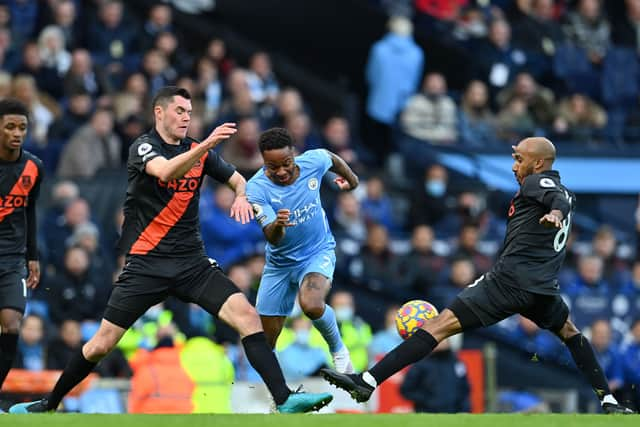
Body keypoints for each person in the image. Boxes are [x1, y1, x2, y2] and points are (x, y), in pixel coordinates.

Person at [10, 86, 332, 414]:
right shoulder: (144, 147)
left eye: (190, 113)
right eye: (179, 111)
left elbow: (239, 179)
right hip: (146, 264)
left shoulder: (199, 151)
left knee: (248, 317)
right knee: (101, 343)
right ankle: (49, 404)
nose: (186, 118)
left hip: (192, 263)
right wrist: (206, 145)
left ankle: (284, 399)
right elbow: (165, 171)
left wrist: (238, 193)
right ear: (159, 112)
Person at [320, 137, 635, 415]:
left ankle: (367, 380)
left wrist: (555, 211)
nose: (514, 166)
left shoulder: (537, 183)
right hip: (542, 290)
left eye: (519, 159)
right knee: (572, 335)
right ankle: (607, 399)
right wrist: (556, 210)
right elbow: (562, 198)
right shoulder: (563, 192)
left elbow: (557, 200)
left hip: (507, 282)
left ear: (539, 163)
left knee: (438, 326)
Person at [246, 127, 359, 373]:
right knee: (265, 340)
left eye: (286, 163)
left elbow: (332, 158)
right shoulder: (256, 188)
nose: (281, 172)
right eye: (272, 167)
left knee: (311, 304)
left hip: (317, 252)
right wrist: (278, 225)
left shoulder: (313, 161)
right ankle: (277, 396)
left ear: (294, 154)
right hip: (279, 265)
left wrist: (351, 180)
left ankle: (339, 350)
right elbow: (272, 237)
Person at [0, 99, 43, 411]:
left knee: (12, 324)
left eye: (22, 128)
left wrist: (33, 256)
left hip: (12, 259)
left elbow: (31, 213)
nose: (17, 133)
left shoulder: (33, 167)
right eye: (10, 127)